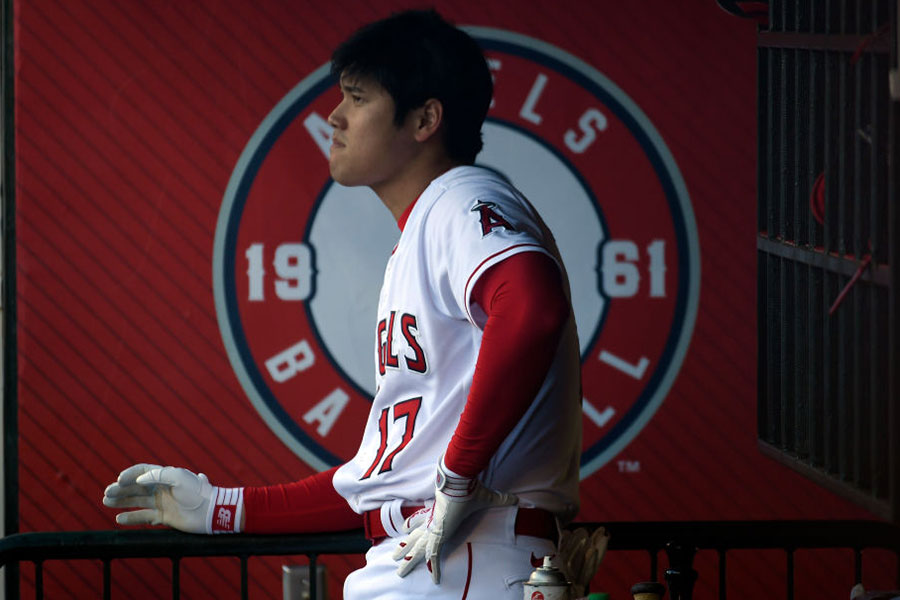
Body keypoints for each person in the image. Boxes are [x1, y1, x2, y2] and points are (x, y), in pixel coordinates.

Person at [103, 9, 582, 599]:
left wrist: (455, 479)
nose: (334, 116)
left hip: (469, 557)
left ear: (426, 118)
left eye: (357, 97)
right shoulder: (425, 227)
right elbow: (384, 480)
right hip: (434, 555)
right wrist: (221, 508)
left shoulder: (462, 195)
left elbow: (531, 308)